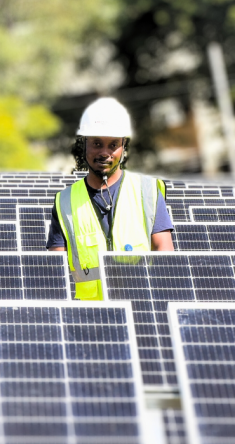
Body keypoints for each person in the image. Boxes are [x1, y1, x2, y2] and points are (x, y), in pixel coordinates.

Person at [47, 97, 174, 301]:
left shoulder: (147, 191)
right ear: (84, 145)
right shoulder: (64, 202)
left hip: (142, 307)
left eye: (113, 144)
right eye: (97, 143)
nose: (105, 152)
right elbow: (56, 271)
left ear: (123, 146)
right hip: (90, 317)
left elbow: (164, 251)